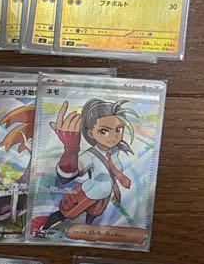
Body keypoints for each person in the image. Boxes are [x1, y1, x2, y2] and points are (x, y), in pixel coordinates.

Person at [42, 98, 136, 233]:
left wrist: (114, 188)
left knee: (94, 214)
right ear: (91, 133)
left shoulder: (115, 150)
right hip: (87, 193)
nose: (114, 136)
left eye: (119, 130)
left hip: (103, 195)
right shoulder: (90, 155)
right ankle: (43, 229)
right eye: (104, 131)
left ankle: (86, 232)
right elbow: (67, 175)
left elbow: (112, 172)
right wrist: (71, 150)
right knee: (65, 214)